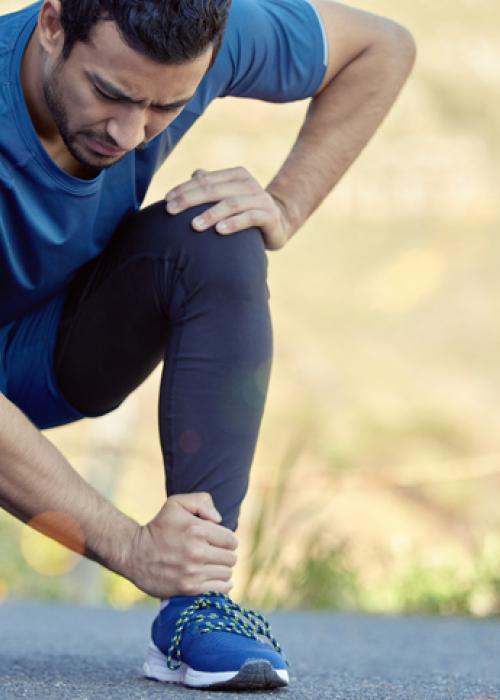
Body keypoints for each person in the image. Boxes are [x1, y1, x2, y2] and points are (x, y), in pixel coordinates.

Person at [0, 0, 416, 690]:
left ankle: (199, 603)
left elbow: (381, 48)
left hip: (47, 352)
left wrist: (286, 203)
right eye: (109, 93)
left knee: (218, 231)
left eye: (167, 106)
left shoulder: (206, 36)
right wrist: (132, 548)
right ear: (52, 24)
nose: (130, 134)